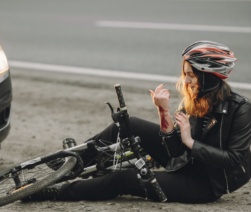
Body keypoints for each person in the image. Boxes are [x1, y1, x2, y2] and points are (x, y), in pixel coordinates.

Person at [26, 41, 251, 203]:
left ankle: (57, 192)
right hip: (182, 160)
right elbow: (174, 152)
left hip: (203, 183)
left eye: (191, 75)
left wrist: (190, 142)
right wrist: (163, 111)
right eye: (185, 73)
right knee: (127, 124)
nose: (186, 80)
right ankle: (72, 163)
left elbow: (234, 160)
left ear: (208, 76)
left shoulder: (240, 109)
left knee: (121, 179)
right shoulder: (194, 98)